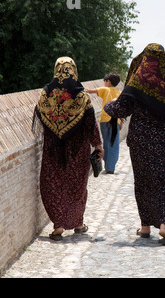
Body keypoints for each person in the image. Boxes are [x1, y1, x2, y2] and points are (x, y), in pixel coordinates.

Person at [104, 44, 165, 246]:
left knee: (144, 182)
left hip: (141, 142)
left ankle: (145, 227)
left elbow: (120, 109)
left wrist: (109, 104)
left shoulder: (137, 81)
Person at [33, 57, 104, 241]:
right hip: (78, 150)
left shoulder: (45, 93)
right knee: (77, 188)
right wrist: (98, 145)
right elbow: (91, 123)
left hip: (52, 150)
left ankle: (58, 225)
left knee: (53, 185)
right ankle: (78, 224)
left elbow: (40, 117)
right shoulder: (81, 95)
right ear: (74, 70)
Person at [86, 72, 122, 174]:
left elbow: (89, 91)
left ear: (108, 82)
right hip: (115, 121)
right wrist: (121, 121)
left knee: (106, 143)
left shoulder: (105, 89)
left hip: (104, 120)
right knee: (114, 143)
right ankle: (111, 167)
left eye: (105, 81)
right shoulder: (119, 93)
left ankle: (107, 165)